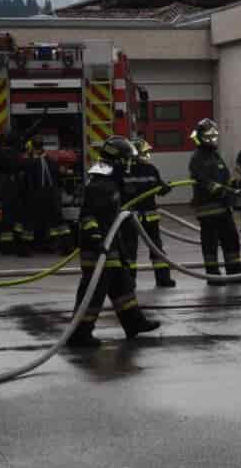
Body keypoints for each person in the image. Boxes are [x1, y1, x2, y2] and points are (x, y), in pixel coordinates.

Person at [66, 135, 160, 348]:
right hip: (97, 248)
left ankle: (133, 323)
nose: (129, 164)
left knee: (122, 285)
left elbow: (120, 203)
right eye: (127, 159)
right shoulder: (100, 184)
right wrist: (96, 237)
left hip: (110, 245)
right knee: (93, 293)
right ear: (117, 160)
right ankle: (79, 334)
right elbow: (87, 215)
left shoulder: (109, 180)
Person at [188, 119, 241, 287]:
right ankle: (213, 276)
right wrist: (219, 189)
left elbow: (225, 177)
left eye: (214, 136)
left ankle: (235, 273)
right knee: (210, 244)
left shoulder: (215, 156)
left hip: (223, 208)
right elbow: (202, 180)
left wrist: (235, 184)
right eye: (209, 136)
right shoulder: (197, 158)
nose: (212, 139)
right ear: (201, 137)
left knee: (231, 240)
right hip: (208, 209)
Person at [120, 138, 176, 288]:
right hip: (130, 219)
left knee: (157, 249)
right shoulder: (123, 170)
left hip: (150, 218)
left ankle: (163, 279)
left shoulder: (151, 169)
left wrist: (165, 188)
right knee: (129, 252)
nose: (147, 155)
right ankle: (129, 282)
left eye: (147, 152)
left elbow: (158, 188)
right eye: (144, 153)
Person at [19, 136, 71, 255]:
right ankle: (67, 246)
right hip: (51, 195)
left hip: (36, 196)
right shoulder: (51, 160)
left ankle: (25, 250)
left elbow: (23, 177)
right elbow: (60, 174)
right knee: (59, 222)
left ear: (32, 147)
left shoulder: (29, 163)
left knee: (29, 222)